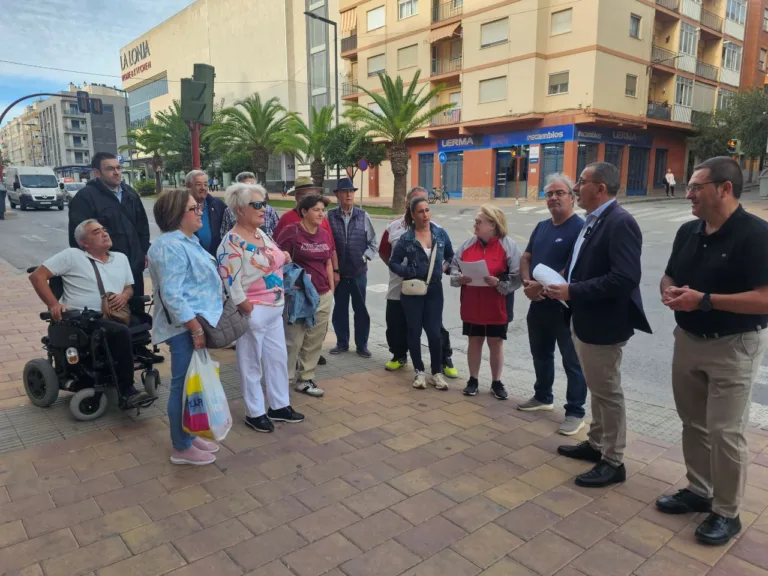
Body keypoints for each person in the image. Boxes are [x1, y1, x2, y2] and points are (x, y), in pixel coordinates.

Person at [657, 156, 768, 546]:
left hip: (734, 346)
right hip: (687, 341)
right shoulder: (689, 231)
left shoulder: (757, 234)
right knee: (693, 423)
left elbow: (764, 299)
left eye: (696, 187)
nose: (688, 194)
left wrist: (704, 300)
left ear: (724, 189)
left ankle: (727, 512)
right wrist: (668, 289)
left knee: (726, 432)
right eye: (688, 186)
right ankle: (699, 490)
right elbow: (670, 272)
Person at [546, 162, 651, 488]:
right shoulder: (594, 221)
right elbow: (583, 267)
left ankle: (613, 460)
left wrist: (572, 290)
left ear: (601, 188)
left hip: (605, 324)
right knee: (598, 388)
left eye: (582, 182)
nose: (576, 187)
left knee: (608, 393)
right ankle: (596, 444)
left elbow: (625, 278)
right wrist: (558, 283)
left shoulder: (620, 222)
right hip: (586, 318)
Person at [30, 219, 148, 406]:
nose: (104, 233)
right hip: (82, 319)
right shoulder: (72, 256)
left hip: (115, 313)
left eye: (104, 229)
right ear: (84, 242)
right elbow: (37, 276)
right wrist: (53, 305)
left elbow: (129, 288)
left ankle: (120, 371)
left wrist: (124, 296)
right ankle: (126, 391)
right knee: (118, 331)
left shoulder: (121, 258)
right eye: (96, 232)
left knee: (142, 322)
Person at [217, 183, 304, 433]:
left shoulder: (261, 233)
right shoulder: (232, 240)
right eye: (257, 205)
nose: (263, 209)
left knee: (277, 359)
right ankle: (255, 411)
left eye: (264, 203)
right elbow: (229, 279)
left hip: (275, 308)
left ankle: (279, 405)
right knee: (251, 363)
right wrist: (246, 308)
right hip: (253, 311)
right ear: (241, 209)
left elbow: (272, 256)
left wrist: (283, 256)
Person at [149, 189, 223, 466]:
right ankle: (180, 446)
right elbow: (172, 295)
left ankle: (189, 435)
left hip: (195, 323)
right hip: (184, 328)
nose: (200, 211)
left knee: (193, 385)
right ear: (177, 215)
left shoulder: (187, 241)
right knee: (182, 387)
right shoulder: (169, 246)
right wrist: (195, 328)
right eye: (194, 208)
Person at [518, 174, 588, 436]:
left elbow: (574, 268)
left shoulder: (580, 228)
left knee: (572, 361)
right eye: (549, 194)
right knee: (541, 353)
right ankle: (543, 397)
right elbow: (527, 256)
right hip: (538, 304)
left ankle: (575, 412)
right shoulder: (542, 227)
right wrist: (527, 282)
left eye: (559, 193)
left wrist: (541, 288)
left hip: (564, 308)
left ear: (572, 197)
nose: (553, 198)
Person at [379, 186, 458, 378]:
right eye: (417, 203)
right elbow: (384, 252)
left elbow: (449, 256)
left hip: (429, 286)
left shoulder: (437, 230)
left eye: (425, 204)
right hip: (401, 286)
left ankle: (444, 358)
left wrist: (443, 269)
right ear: (409, 206)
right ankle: (399, 355)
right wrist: (405, 272)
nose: (423, 209)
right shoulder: (394, 227)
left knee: (434, 327)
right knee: (397, 323)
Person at [451, 205, 521, 400]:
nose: (475, 224)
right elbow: (454, 269)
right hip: (472, 303)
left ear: (493, 224)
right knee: (474, 340)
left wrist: (499, 282)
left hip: (497, 305)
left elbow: (518, 277)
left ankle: (496, 382)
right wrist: (460, 278)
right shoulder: (466, 245)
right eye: (475, 221)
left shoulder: (509, 246)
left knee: (495, 342)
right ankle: (473, 380)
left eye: (479, 222)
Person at [68, 152, 150, 313]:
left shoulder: (130, 193)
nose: (117, 172)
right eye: (110, 169)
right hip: (105, 272)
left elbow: (142, 226)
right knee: (111, 319)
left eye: (119, 168)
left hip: (132, 269)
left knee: (136, 320)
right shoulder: (85, 198)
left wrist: (143, 253)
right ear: (97, 173)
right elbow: (78, 238)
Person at [273, 176, 337, 367]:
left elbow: (328, 260)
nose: (321, 214)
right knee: (293, 341)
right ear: (303, 210)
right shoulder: (290, 229)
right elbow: (277, 259)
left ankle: (306, 377)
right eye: (316, 210)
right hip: (299, 295)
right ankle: (285, 379)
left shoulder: (323, 232)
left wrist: (331, 290)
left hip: (322, 293)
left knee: (314, 341)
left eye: (322, 210)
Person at [327, 177, 377, 358]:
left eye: (351, 191)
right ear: (338, 195)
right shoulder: (329, 216)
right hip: (338, 273)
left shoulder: (363, 216)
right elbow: (327, 243)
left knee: (360, 309)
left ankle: (362, 345)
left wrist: (364, 257)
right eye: (345, 192)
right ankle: (342, 343)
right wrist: (332, 268)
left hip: (358, 272)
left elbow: (373, 243)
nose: (348, 195)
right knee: (339, 309)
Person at [220, 172, 279, 238]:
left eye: (253, 185)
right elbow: (224, 233)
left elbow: (277, 233)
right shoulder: (229, 211)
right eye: (247, 186)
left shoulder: (269, 210)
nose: (263, 209)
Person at [185, 170, 227, 258]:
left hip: (216, 259)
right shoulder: (180, 206)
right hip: (192, 260)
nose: (203, 188)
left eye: (205, 184)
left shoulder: (217, 204)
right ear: (188, 186)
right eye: (198, 184)